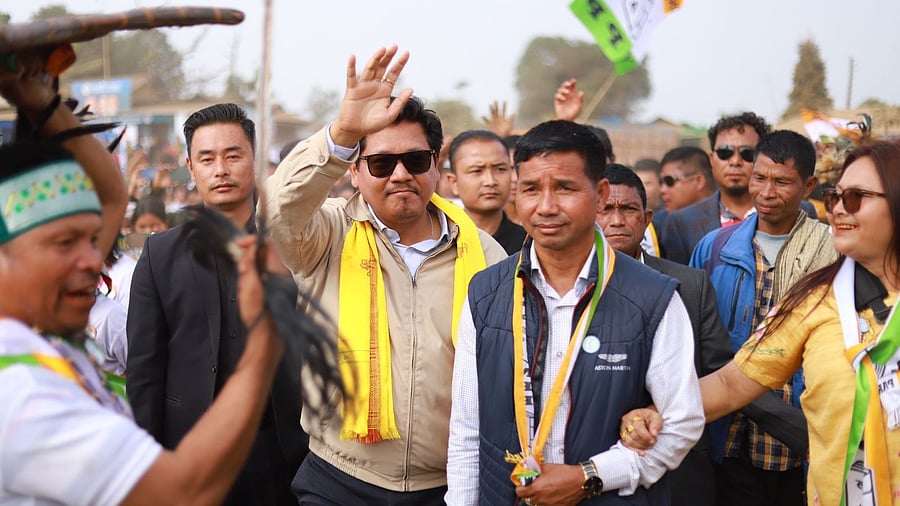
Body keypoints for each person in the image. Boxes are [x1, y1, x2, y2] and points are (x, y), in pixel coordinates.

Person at [0, 54, 287, 505]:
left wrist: (42, 103)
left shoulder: (39, 340)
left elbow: (111, 194)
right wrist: (265, 343)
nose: (92, 261)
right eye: (63, 244)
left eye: (91, 239)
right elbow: (183, 492)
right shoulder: (23, 396)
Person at [263, 46, 507, 504]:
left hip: (450, 483)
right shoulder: (328, 233)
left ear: (437, 165)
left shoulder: (483, 251)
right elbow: (275, 213)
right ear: (353, 172)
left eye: (415, 161)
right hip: (339, 479)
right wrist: (340, 134)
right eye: (380, 163)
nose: (400, 175)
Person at [446, 120, 704, 505]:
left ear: (600, 194)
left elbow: (681, 422)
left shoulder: (652, 296)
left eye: (565, 188)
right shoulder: (486, 293)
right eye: (531, 189)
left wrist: (591, 477)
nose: (546, 206)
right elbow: (467, 430)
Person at [632, 139, 900, 506]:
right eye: (835, 196)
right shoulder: (813, 299)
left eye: (855, 198)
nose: (837, 209)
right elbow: (730, 383)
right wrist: (655, 412)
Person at [127, 103, 307, 506]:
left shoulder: (294, 248)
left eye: (233, 155)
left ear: (255, 160)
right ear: (190, 167)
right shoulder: (160, 254)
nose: (220, 169)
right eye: (207, 158)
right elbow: (144, 370)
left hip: (282, 448)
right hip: (191, 446)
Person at [689, 130, 837, 506]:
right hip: (729, 431)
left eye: (782, 182)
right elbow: (695, 338)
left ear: (809, 187)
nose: (767, 192)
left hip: (799, 439)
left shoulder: (832, 250)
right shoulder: (716, 247)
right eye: (760, 178)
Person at [596, 163, 732, 506]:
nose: (616, 220)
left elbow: (718, 371)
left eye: (628, 209)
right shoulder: (566, 287)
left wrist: (663, 411)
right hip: (595, 458)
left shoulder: (689, 284)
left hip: (680, 464)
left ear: (647, 218)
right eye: (605, 209)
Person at [662, 113, 771, 264]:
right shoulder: (681, 223)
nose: (735, 161)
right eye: (725, 152)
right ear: (712, 159)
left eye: (747, 153)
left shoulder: (795, 213)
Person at [448, 129, 526, 254]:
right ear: (454, 182)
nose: (490, 181)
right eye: (477, 171)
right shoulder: (440, 244)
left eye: (500, 169)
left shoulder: (529, 245)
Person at [659, 146, 715, 213]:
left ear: (699, 181)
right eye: (661, 182)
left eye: (669, 181)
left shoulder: (727, 217)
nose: (662, 190)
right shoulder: (656, 222)